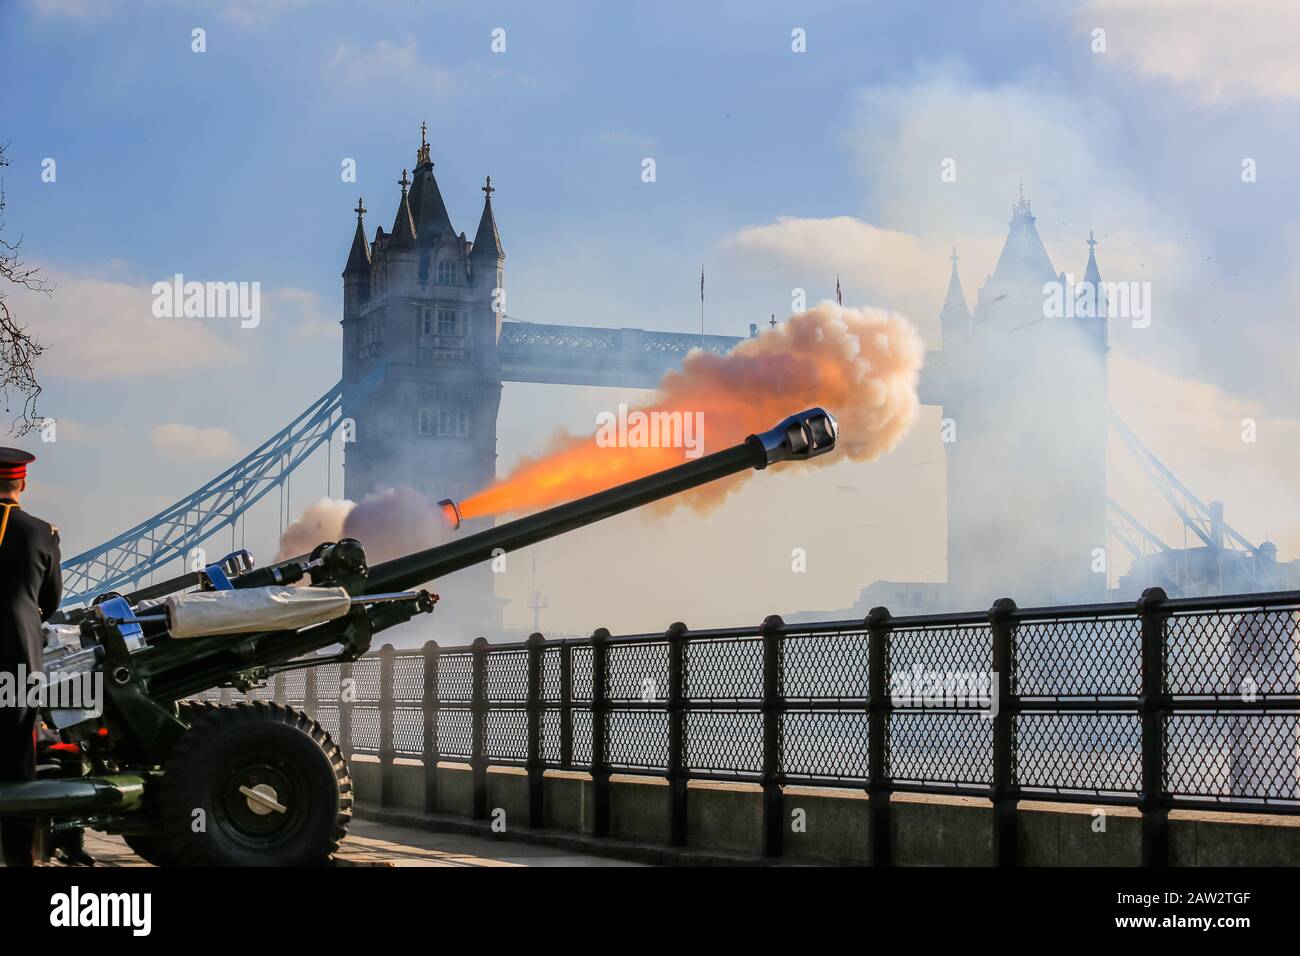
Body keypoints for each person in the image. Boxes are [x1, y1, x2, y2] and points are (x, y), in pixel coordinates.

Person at [0, 447, 62, 866]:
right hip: (17, 661)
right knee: (18, 758)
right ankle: (19, 858)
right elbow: (51, 602)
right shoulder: (43, 532)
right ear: (22, 483)